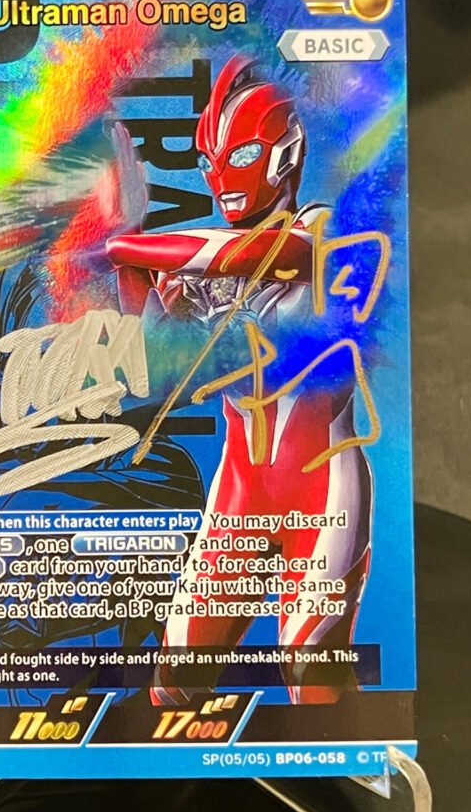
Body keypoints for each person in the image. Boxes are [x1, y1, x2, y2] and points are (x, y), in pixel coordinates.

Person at [106, 55, 372, 705]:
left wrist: (130, 248)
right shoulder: (202, 268)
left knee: (312, 676)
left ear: (285, 153)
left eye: (243, 153)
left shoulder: (321, 229)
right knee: (174, 685)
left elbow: (259, 254)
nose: (222, 175)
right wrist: (128, 241)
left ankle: (364, 757)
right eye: (208, 161)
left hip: (322, 492)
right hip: (242, 494)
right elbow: (154, 359)